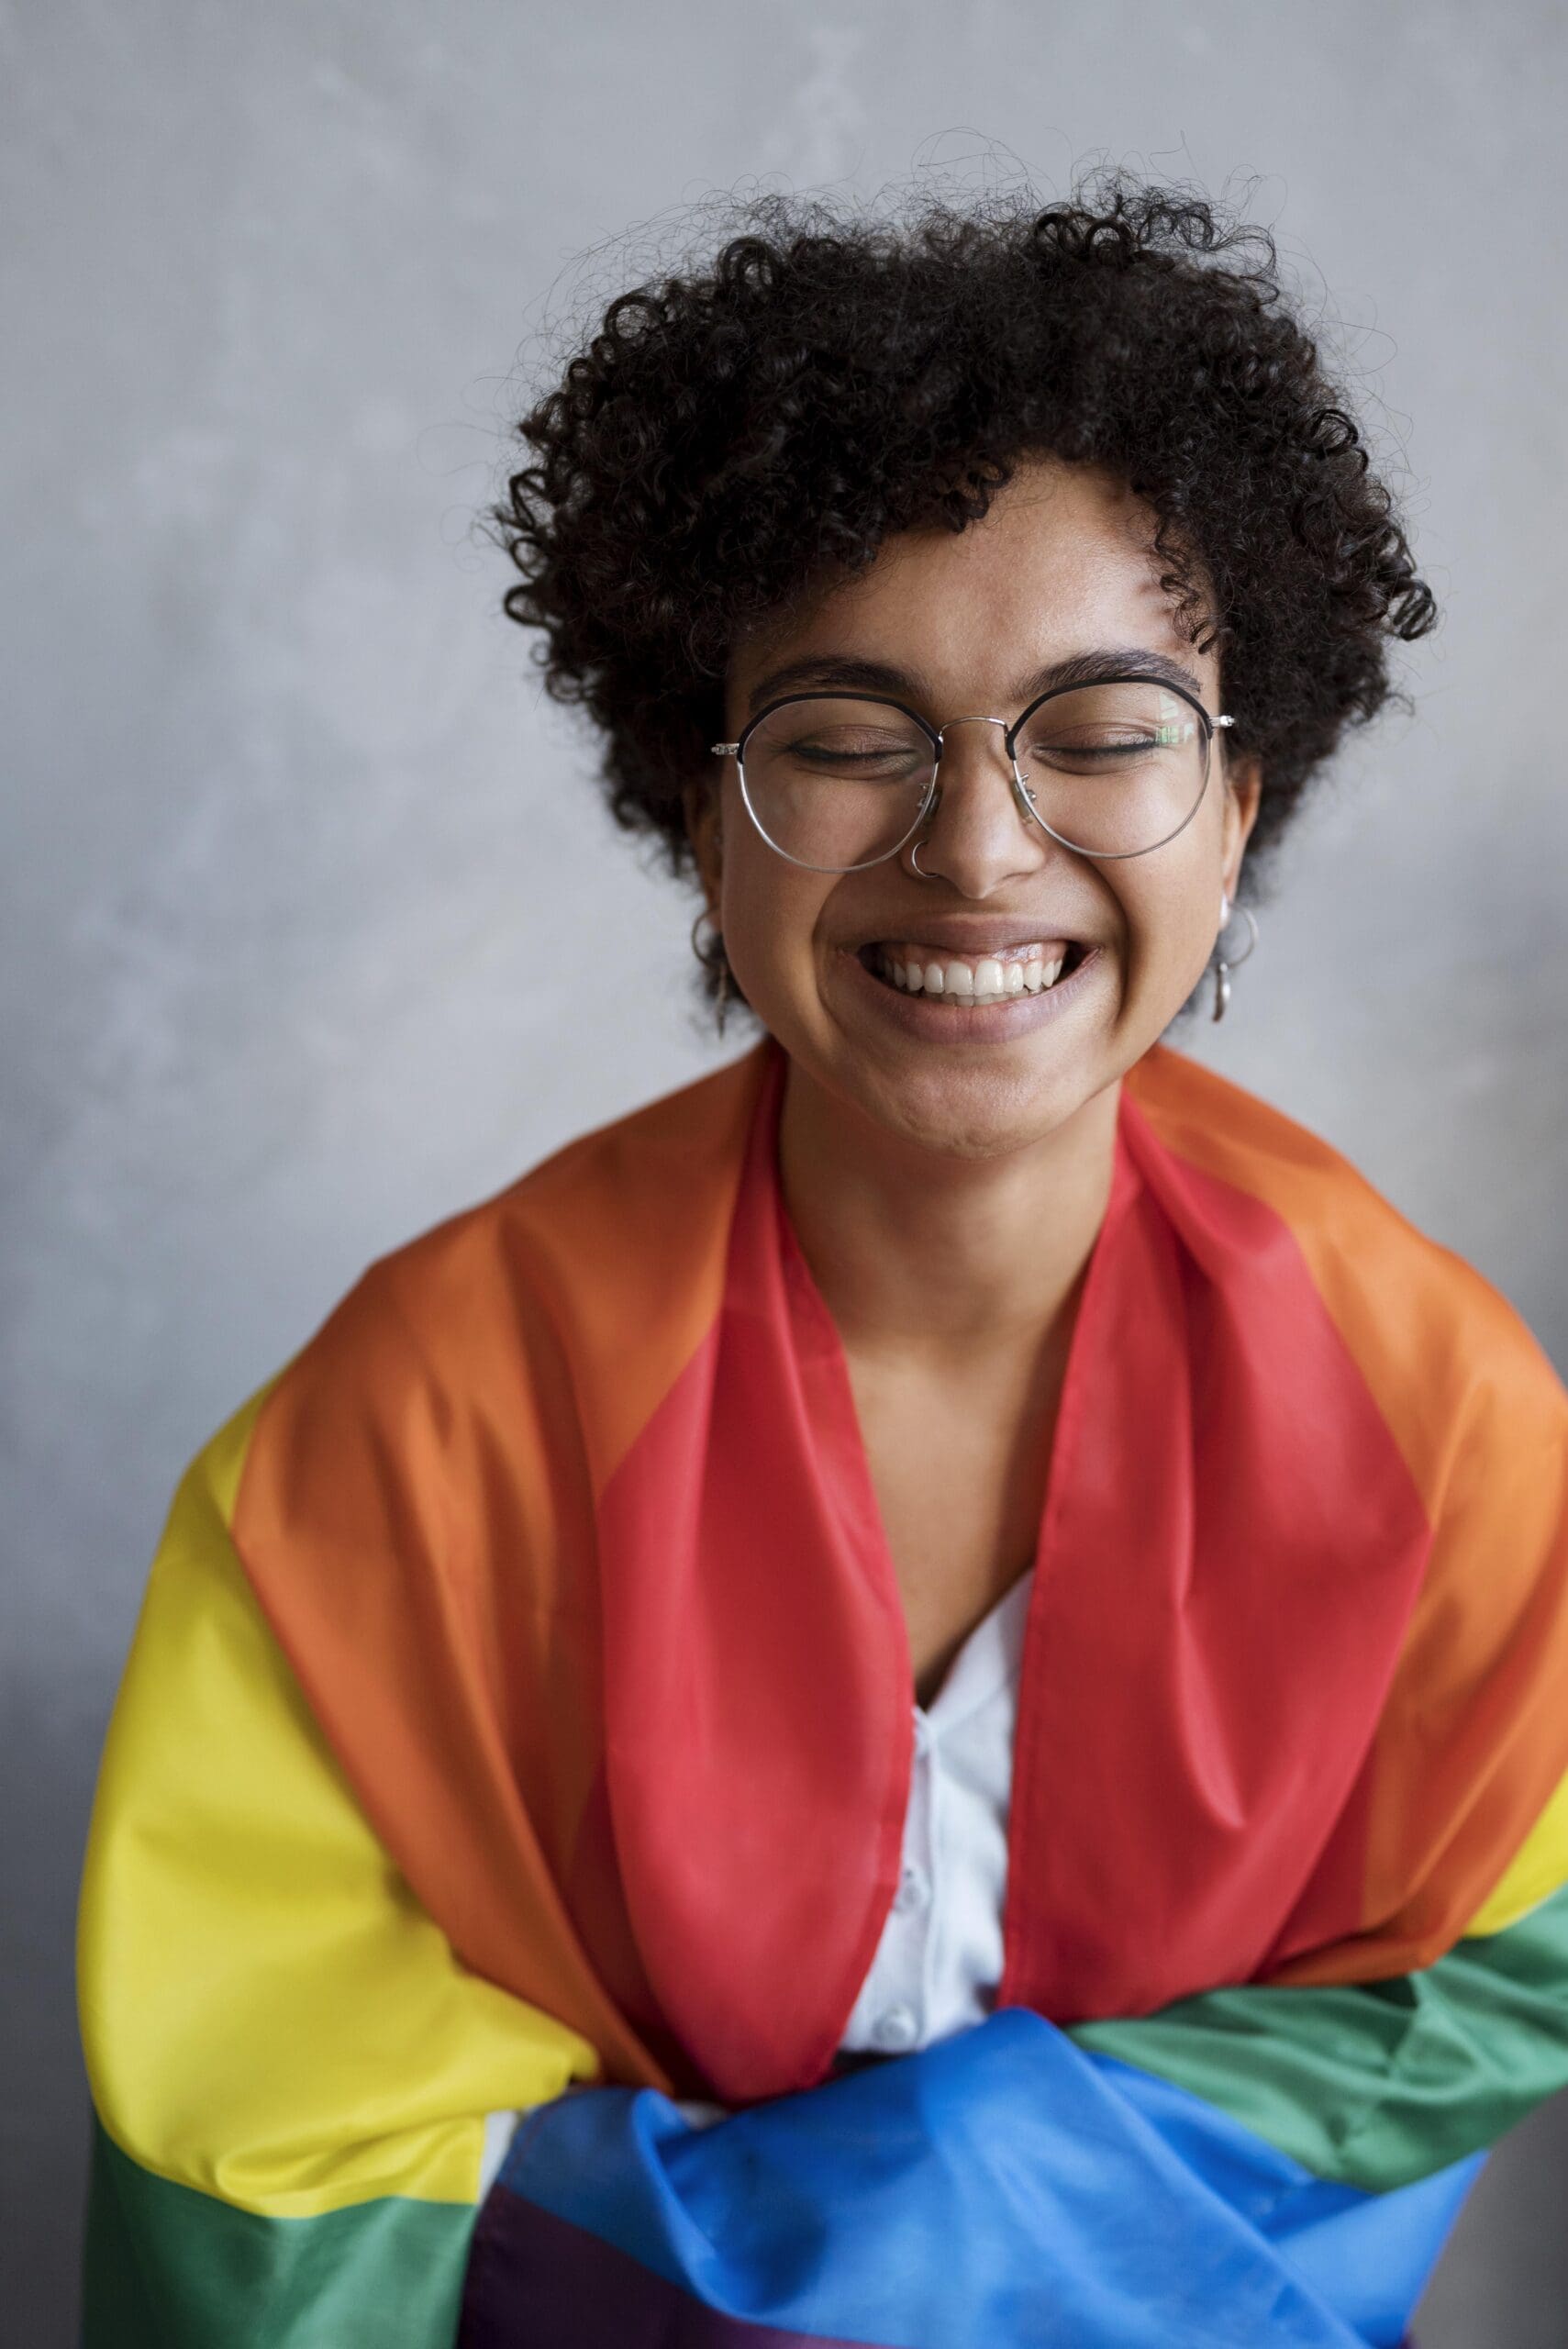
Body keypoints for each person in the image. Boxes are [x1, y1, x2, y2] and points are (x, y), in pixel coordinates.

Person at [76, 177, 1568, 2349]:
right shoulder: (411, 1433)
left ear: (1241, 800)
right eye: (851, 734)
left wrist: (888, 2208)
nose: (976, 845)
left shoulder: (1442, 1422)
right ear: (702, 806)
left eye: (1107, 726)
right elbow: (259, 2156)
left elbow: (1494, 1973)